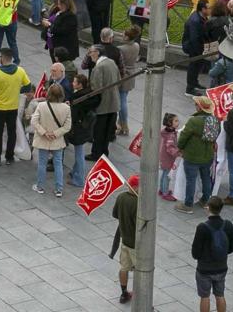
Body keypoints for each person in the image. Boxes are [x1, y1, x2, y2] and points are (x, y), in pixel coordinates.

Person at [191, 196, 233, 312]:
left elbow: (195, 252)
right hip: (221, 267)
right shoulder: (227, 225)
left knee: (205, 296)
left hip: (204, 269)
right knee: (220, 295)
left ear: (208, 208)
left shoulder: (202, 227)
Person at [0, 48, 32, 165]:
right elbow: (28, 86)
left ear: (2, 58)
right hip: (13, 107)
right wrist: (16, 90)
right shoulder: (20, 71)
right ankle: (9, 157)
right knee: (12, 132)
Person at [176, 96, 218, 214]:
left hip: (192, 156)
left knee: (191, 180)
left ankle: (188, 205)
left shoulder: (194, 121)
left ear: (199, 108)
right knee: (206, 178)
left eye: (196, 104)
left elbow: (184, 136)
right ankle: (205, 200)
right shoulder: (214, 120)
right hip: (207, 156)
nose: (195, 106)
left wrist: (180, 147)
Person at [30, 83, 73, 196]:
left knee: (42, 163)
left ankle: (40, 186)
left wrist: (44, 133)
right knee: (58, 164)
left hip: (43, 139)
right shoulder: (66, 108)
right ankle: (59, 189)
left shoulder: (42, 106)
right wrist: (55, 134)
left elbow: (34, 121)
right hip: (57, 140)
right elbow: (67, 127)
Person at [85, 43, 120, 160]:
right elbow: (119, 80)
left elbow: (96, 89)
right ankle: (105, 152)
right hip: (114, 104)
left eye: (91, 52)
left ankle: (96, 153)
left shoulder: (98, 68)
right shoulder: (112, 62)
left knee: (99, 131)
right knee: (107, 131)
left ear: (97, 53)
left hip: (103, 105)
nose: (89, 55)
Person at [111, 175, 139, 303]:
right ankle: (141, 296)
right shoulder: (139, 202)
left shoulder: (121, 197)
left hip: (125, 240)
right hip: (137, 243)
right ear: (135, 187)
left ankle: (123, 293)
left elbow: (115, 214)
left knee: (124, 268)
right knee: (141, 270)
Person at [182, 0, 212, 95]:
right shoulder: (195, 21)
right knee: (193, 67)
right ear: (203, 9)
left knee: (197, 66)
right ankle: (190, 89)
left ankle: (194, 83)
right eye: (208, 8)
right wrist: (199, 52)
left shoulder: (202, 17)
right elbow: (194, 38)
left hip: (199, 47)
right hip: (194, 48)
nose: (210, 10)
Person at [159, 113, 181, 201]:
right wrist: (178, 153)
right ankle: (165, 193)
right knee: (167, 176)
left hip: (163, 157)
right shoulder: (171, 135)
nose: (178, 122)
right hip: (167, 158)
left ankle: (162, 190)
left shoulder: (167, 132)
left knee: (164, 174)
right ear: (169, 122)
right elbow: (170, 148)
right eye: (175, 121)